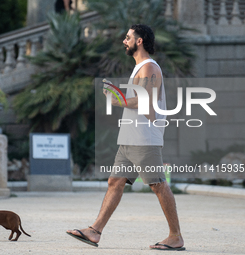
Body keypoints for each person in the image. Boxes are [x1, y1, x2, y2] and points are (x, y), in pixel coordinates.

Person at [67, 24, 185, 251]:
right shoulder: (139, 67)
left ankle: (176, 236)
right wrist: (117, 94)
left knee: (158, 185)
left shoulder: (149, 67)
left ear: (139, 41)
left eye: (128, 37)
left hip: (144, 138)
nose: (124, 40)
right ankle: (95, 231)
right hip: (130, 138)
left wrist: (116, 100)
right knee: (115, 182)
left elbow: (146, 100)